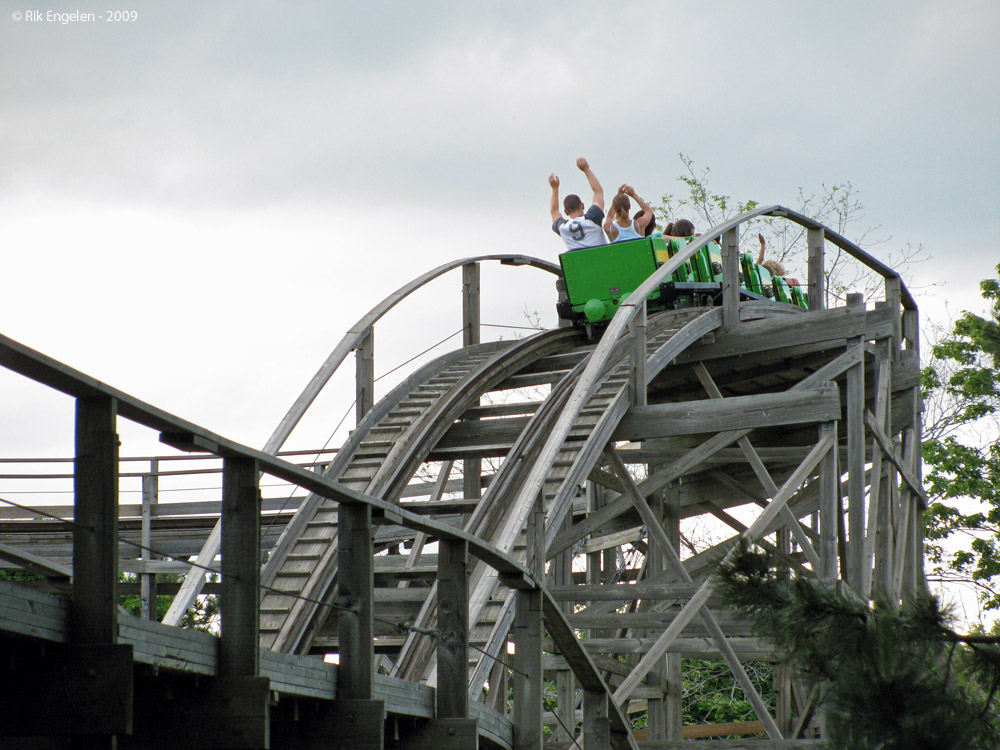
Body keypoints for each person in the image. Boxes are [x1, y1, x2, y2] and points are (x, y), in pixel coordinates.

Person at [549, 157, 606, 250]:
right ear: (582, 206)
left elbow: (554, 211)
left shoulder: (563, 228)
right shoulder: (592, 218)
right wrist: (586, 169)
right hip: (602, 261)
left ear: (566, 212)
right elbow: (598, 192)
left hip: (579, 264)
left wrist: (555, 188)